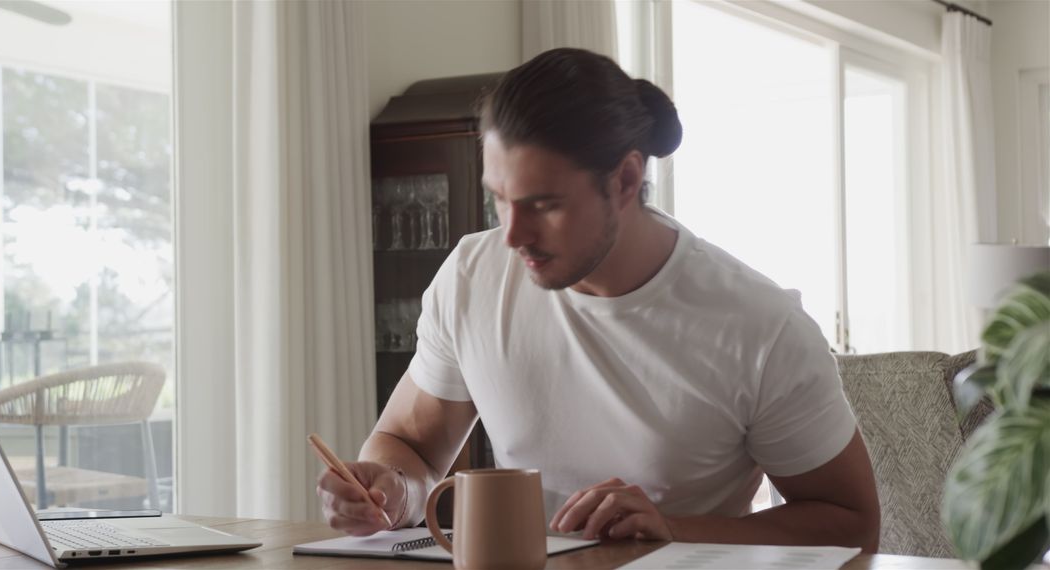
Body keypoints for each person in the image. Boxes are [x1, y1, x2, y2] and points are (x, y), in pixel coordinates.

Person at [317, 47, 880, 551]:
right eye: (500, 200)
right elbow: (409, 445)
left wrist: (670, 528)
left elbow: (852, 523)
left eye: (544, 205)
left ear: (626, 180)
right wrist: (391, 491)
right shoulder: (472, 275)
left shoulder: (761, 326)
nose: (512, 235)